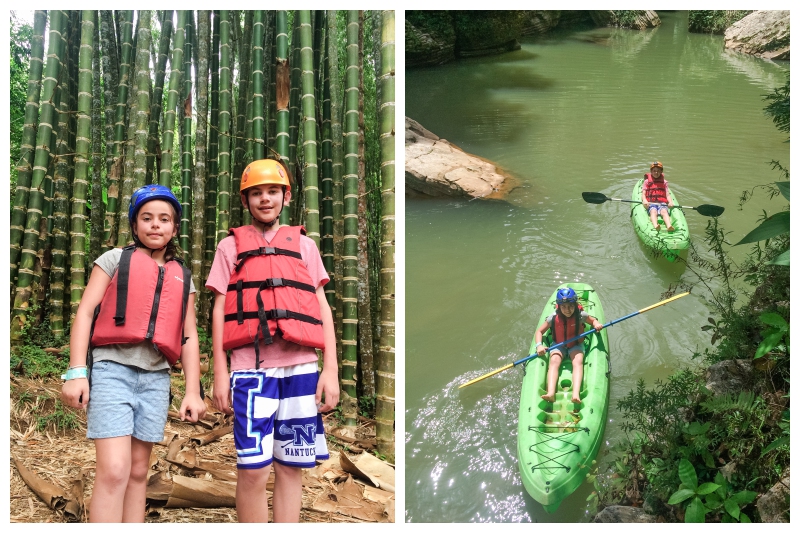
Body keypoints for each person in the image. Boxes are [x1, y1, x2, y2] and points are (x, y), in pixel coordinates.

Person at [61, 185, 206, 522]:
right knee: (114, 470)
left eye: (164, 219)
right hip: (113, 369)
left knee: (139, 471)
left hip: (156, 378)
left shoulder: (183, 276)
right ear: (134, 223)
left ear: (174, 227)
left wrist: (193, 392)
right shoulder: (115, 259)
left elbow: (188, 335)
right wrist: (77, 371)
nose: (155, 225)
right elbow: (84, 313)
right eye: (147, 218)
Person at [206, 158, 339, 523]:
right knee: (253, 470)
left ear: (286, 196)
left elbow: (322, 308)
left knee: (291, 467)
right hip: (251, 373)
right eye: (256, 193)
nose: (265, 199)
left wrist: (331, 371)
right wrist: (219, 373)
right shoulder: (229, 248)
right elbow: (219, 310)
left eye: (272, 192)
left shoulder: (305, 247)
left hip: (301, 368)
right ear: (246, 200)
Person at [534, 288, 602, 405]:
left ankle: (575, 394)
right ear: (559, 306)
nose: (567, 310)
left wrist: (596, 324)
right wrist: (539, 346)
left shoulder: (581, 315)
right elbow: (539, 332)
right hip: (558, 345)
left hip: (576, 344)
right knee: (554, 361)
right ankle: (551, 393)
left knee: (578, 362)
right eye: (564, 307)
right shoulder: (553, 317)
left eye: (570, 306)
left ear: (575, 305)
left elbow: (593, 321)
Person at [641, 161, 675, 232]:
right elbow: (643, 194)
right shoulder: (647, 182)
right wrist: (644, 200)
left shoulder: (664, 182)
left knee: (664, 212)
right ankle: (655, 225)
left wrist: (670, 202)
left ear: (661, 172)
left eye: (658, 171)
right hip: (651, 203)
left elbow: (667, 194)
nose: (656, 173)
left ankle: (669, 226)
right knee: (653, 212)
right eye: (654, 171)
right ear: (651, 172)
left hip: (662, 203)